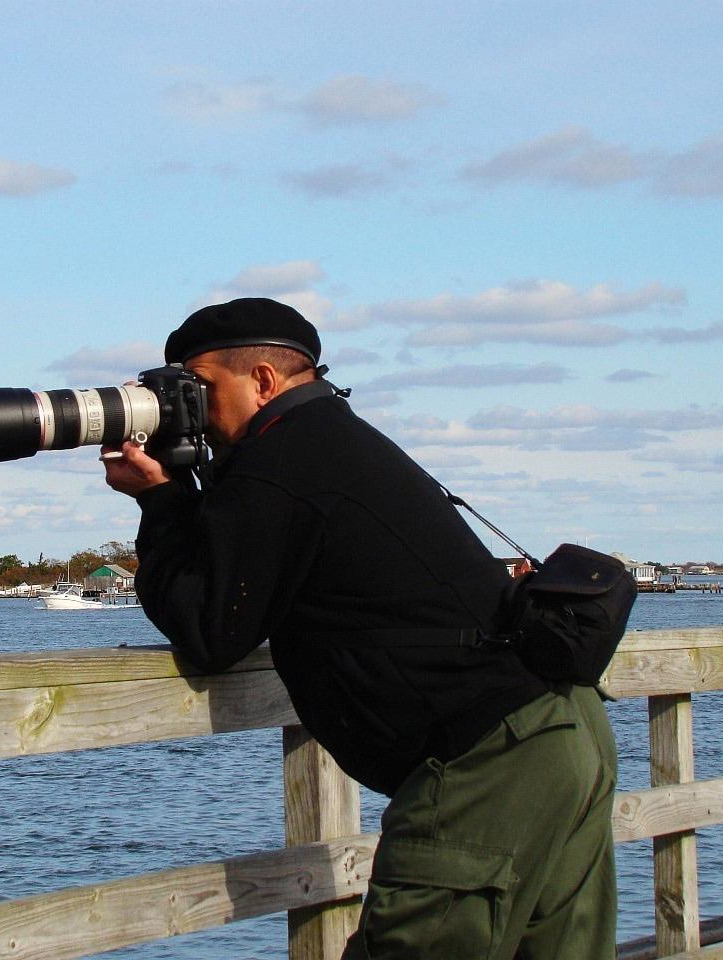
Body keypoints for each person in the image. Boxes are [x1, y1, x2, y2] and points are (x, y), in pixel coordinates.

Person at [101, 297, 617, 959]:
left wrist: (161, 499)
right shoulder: (333, 439)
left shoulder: (278, 461)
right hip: (564, 732)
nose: (189, 407)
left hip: (488, 762)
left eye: (198, 388)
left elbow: (210, 631)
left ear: (263, 380)